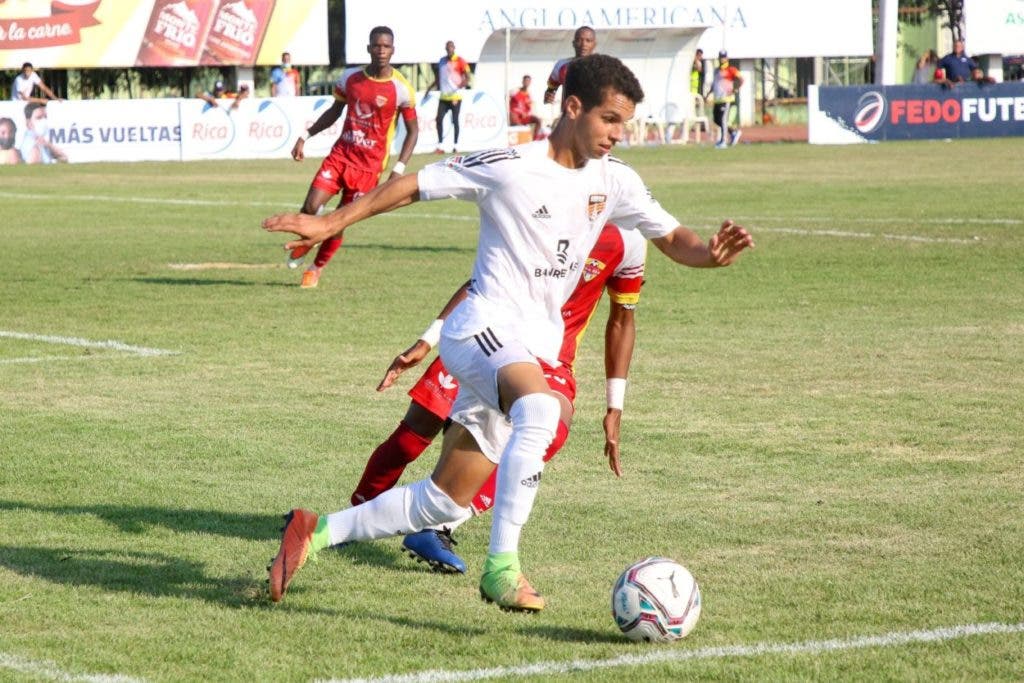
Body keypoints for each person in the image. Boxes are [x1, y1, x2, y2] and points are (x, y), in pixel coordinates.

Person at [262, 53, 754, 612]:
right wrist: (328, 222)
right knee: (541, 412)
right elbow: (412, 186)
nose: (619, 134)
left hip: (531, 348)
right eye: (610, 120)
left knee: (444, 503)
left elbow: (673, 238)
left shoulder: (616, 181)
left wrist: (710, 257)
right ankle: (502, 570)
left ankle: (313, 530)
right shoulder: (510, 164)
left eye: (625, 123)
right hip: (480, 327)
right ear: (573, 107)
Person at [353, 222, 647, 573]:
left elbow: (621, 320)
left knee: (550, 428)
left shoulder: (628, 237)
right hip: (487, 335)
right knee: (410, 440)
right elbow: (481, 283)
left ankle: (439, 526)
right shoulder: (543, 210)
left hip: (551, 359)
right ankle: (353, 518)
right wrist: (427, 340)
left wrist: (615, 404)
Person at [284, 26, 419, 289]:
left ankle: (315, 269)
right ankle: (306, 241)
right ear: (368, 48)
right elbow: (334, 111)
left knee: (340, 220)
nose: (381, 51)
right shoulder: (350, 78)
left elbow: (413, 130)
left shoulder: (401, 89)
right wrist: (305, 135)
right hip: (341, 156)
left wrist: (399, 169)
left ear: (393, 50)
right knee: (311, 206)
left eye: (386, 46)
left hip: (369, 168)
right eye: (377, 46)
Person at [427, 41, 472, 153]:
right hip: (443, 97)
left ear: (454, 48)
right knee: (438, 119)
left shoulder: (460, 61)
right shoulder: (442, 61)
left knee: (455, 120)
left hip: (455, 96)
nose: (449, 49)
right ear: (445, 49)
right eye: (447, 48)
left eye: (451, 47)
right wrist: (429, 88)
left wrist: (461, 86)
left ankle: (456, 145)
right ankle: (440, 145)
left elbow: (467, 77)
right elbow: (438, 78)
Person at [544, 26, 596, 105]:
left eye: (588, 41)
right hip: (568, 115)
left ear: (594, 44)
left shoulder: (602, 67)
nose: (583, 44)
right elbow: (551, 87)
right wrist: (548, 96)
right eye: (579, 40)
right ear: (574, 43)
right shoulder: (562, 65)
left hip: (592, 116)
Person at [709, 49, 743, 148]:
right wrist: (709, 92)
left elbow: (741, 79)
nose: (722, 59)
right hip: (717, 98)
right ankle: (733, 133)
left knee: (723, 120)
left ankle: (723, 141)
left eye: (723, 57)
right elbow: (715, 83)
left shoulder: (731, 69)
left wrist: (735, 88)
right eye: (720, 57)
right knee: (716, 119)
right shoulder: (717, 70)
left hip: (726, 99)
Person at [508, 74, 541, 140]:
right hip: (515, 116)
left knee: (538, 120)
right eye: (525, 81)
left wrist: (527, 113)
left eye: (528, 81)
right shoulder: (515, 91)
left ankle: (534, 139)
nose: (527, 82)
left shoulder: (529, 95)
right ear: (522, 81)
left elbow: (529, 108)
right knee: (513, 115)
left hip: (524, 117)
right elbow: (507, 99)